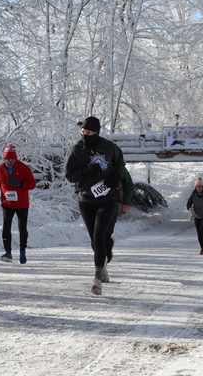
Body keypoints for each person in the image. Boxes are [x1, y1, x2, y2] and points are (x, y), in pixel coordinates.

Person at [65, 115, 126, 295]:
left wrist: (114, 179)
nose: (85, 135)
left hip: (107, 198)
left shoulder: (109, 147)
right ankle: (105, 263)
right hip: (86, 199)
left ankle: (97, 278)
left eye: (89, 132)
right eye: (83, 132)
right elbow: (70, 175)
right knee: (95, 239)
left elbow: (120, 165)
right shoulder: (76, 150)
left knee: (99, 235)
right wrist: (85, 171)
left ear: (96, 133)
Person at [0, 143, 37, 264]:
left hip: (22, 204)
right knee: (6, 227)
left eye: (11, 160)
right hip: (7, 203)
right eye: (6, 160)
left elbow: (32, 184)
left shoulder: (24, 168)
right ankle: (8, 252)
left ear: (15, 159)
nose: (8, 162)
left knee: (22, 228)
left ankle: (22, 250)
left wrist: (20, 184)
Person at [104, 165, 135, 264]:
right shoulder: (87, 161)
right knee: (96, 237)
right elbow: (77, 177)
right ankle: (102, 255)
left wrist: (126, 201)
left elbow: (128, 184)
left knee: (105, 234)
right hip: (91, 205)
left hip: (112, 205)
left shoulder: (116, 165)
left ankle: (104, 256)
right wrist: (79, 193)